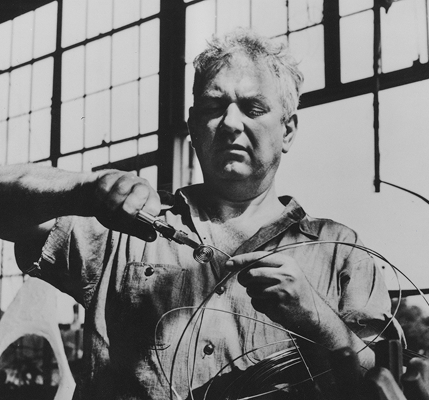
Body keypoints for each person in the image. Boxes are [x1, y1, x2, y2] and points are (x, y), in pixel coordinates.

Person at [0, 29, 401, 399]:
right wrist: (84, 190)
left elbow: (383, 384)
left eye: (252, 108)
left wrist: (319, 319)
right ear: (192, 127)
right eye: (213, 106)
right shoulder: (125, 227)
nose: (230, 123)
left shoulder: (339, 251)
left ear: (288, 131)